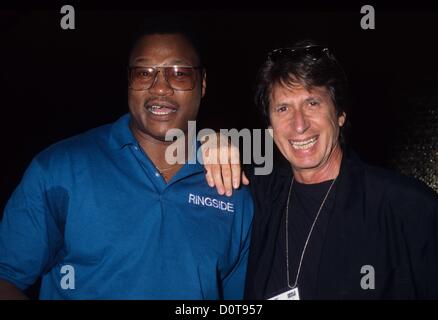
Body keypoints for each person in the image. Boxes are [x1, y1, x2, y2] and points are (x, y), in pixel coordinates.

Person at [0, 22, 253, 299]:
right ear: (129, 82)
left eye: (179, 74)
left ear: (202, 84)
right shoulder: (59, 169)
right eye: (144, 73)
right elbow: (6, 277)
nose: (160, 88)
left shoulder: (233, 191)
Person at [203, 40, 438, 299]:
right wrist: (209, 138)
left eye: (312, 103)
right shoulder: (260, 196)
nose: (299, 124)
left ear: (340, 114)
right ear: (269, 128)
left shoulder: (406, 206)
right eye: (283, 108)